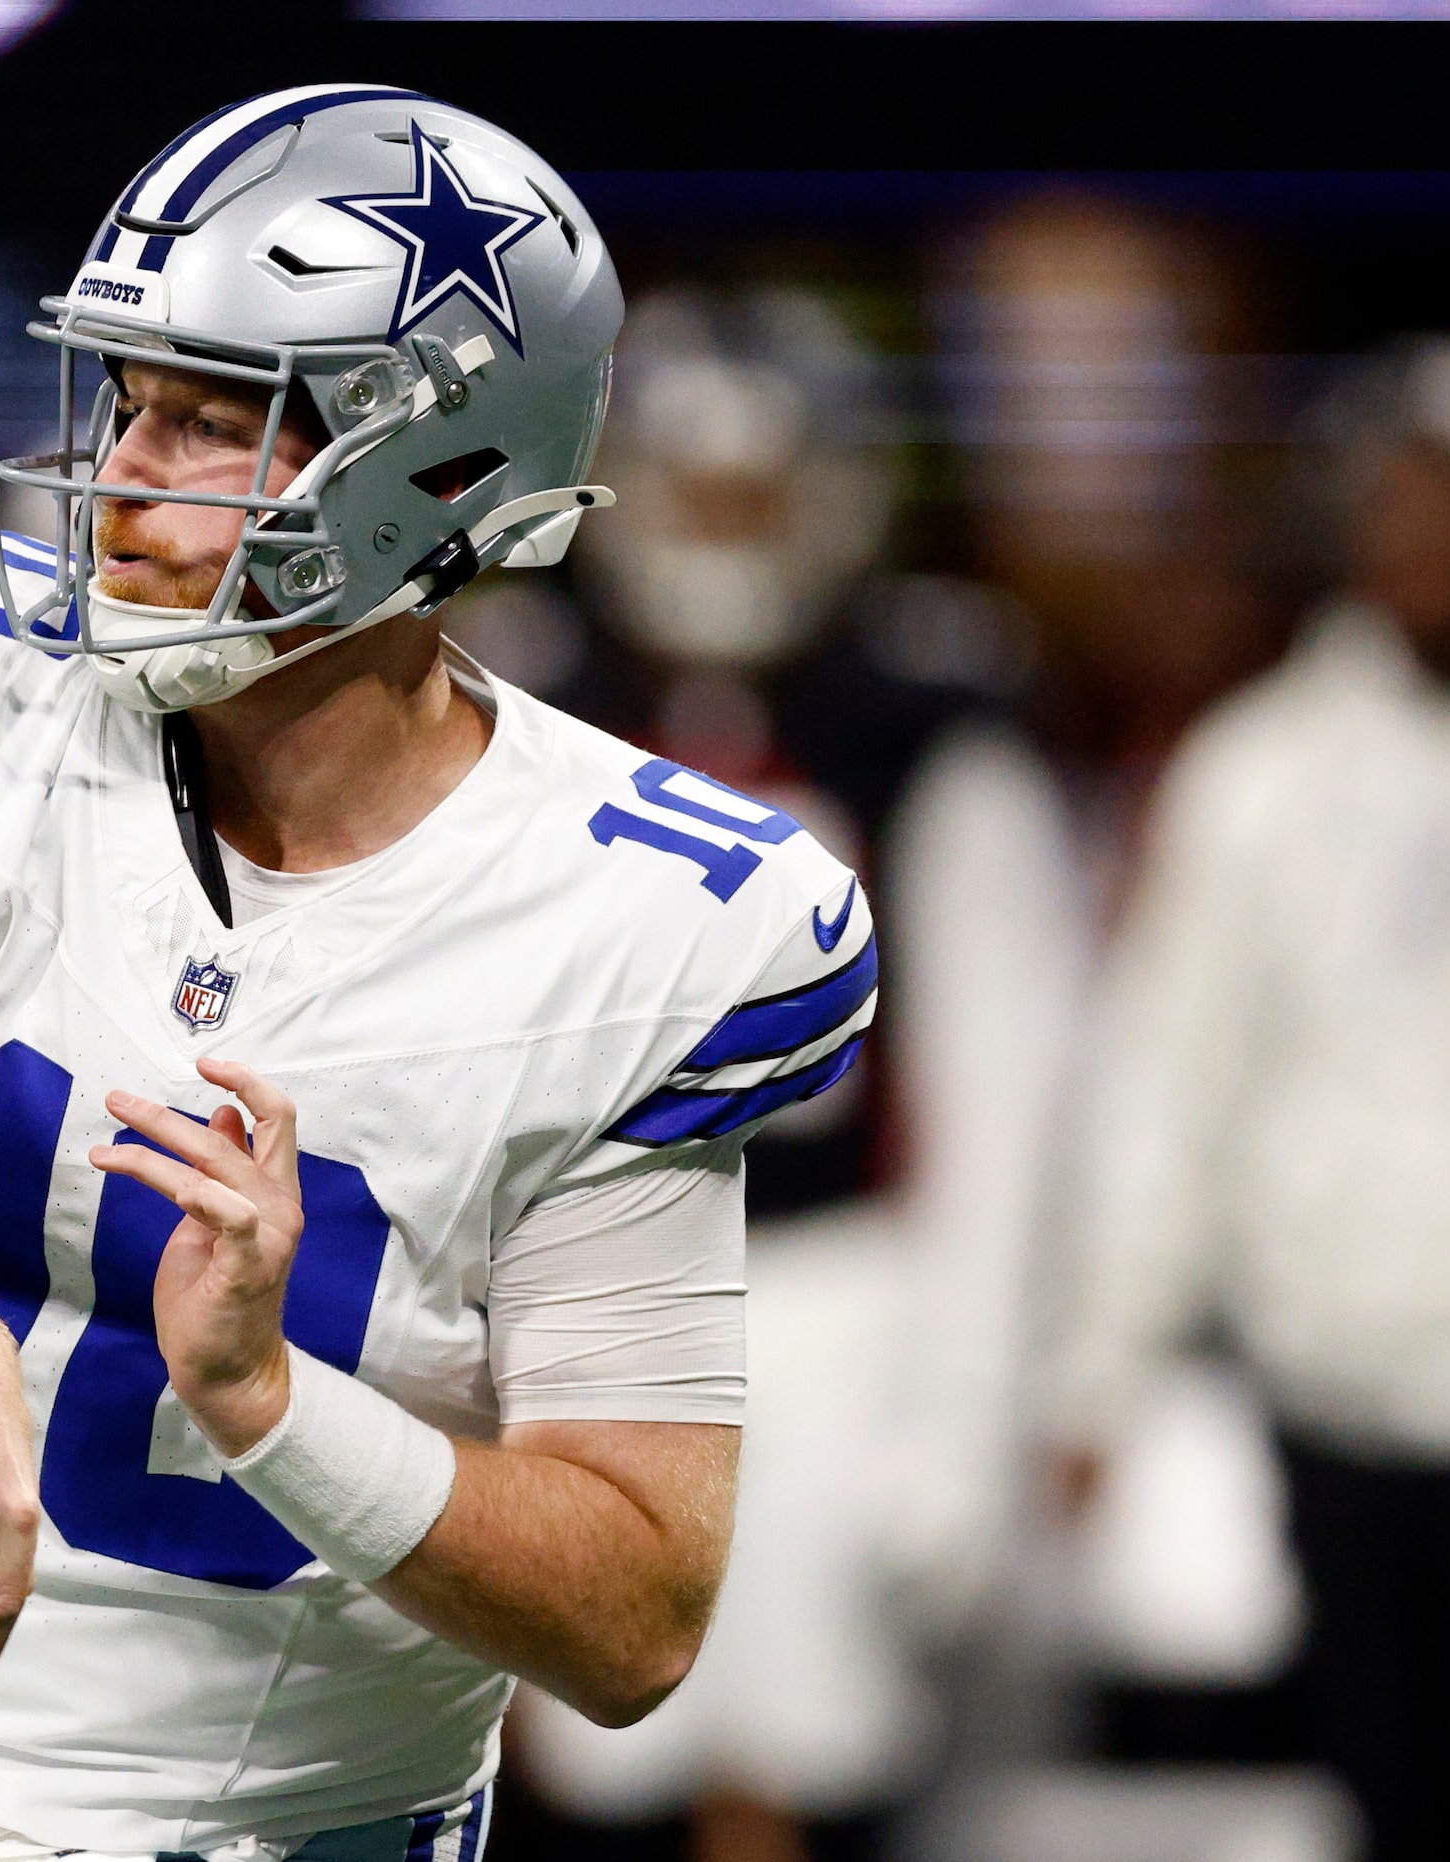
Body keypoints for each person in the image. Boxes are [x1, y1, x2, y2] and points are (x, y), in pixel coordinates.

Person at [0, 86, 876, 1862]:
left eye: (211, 418)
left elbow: (633, 1618)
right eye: (128, 399)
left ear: (435, 466)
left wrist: (270, 1401)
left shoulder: (644, 923)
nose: (123, 475)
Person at [510, 286, 1034, 1862]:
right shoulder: (523, 712)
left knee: (802, 1770)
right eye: (690, 485)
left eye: (755, 489)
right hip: (584, 1300)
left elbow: (1003, 1100)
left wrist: (966, 1405)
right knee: (588, 1771)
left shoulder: (921, 726)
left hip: (833, 1303)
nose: (720, 526)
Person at [1053, 332, 1450, 1862]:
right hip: (1338, 1386)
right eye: (1400, 503)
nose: (1431, 540)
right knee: (1391, 1787)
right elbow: (1166, 1081)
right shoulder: (1259, 776)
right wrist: (1098, 1363)